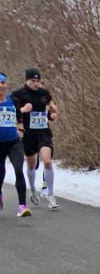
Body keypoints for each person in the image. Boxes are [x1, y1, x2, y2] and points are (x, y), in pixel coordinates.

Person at [12, 67, 58, 208]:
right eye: (33, 81)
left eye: (38, 81)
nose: (36, 84)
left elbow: (47, 108)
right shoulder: (18, 94)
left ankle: (51, 195)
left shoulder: (44, 93)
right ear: (27, 80)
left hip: (43, 132)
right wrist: (23, 110)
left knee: (47, 161)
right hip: (28, 134)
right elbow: (13, 112)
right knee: (31, 165)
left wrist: (52, 114)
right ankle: (32, 190)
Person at [0, 73, 29, 216]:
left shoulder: (13, 100)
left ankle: (22, 206)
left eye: (3, 82)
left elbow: (18, 118)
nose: (1, 85)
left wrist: (21, 130)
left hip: (13, 142)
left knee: (19, 170)